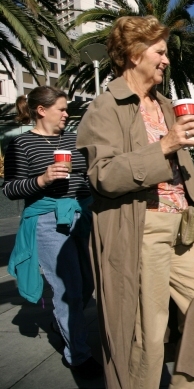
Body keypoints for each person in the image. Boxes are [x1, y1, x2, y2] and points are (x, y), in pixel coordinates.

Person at [75, 16, 194, 389]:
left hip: (184, 228)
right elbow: (103, 175)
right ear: (133, 53)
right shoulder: (105, 108)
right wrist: (165, 145)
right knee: (147, 335)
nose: (166, 60)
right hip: (143, 229)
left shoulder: (164, 104)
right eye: (159, 52)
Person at [3, 86, 101, 379]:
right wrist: (43, 179)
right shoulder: (22, 145)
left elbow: (86, 177)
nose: (66, 114)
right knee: (67, 289)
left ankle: (63, 327)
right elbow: (10, 188)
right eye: (60, 109)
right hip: (47, 219)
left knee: (87, 285)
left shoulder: (74, 139)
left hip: (81, 214)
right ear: (41, 111)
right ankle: (78, 356)